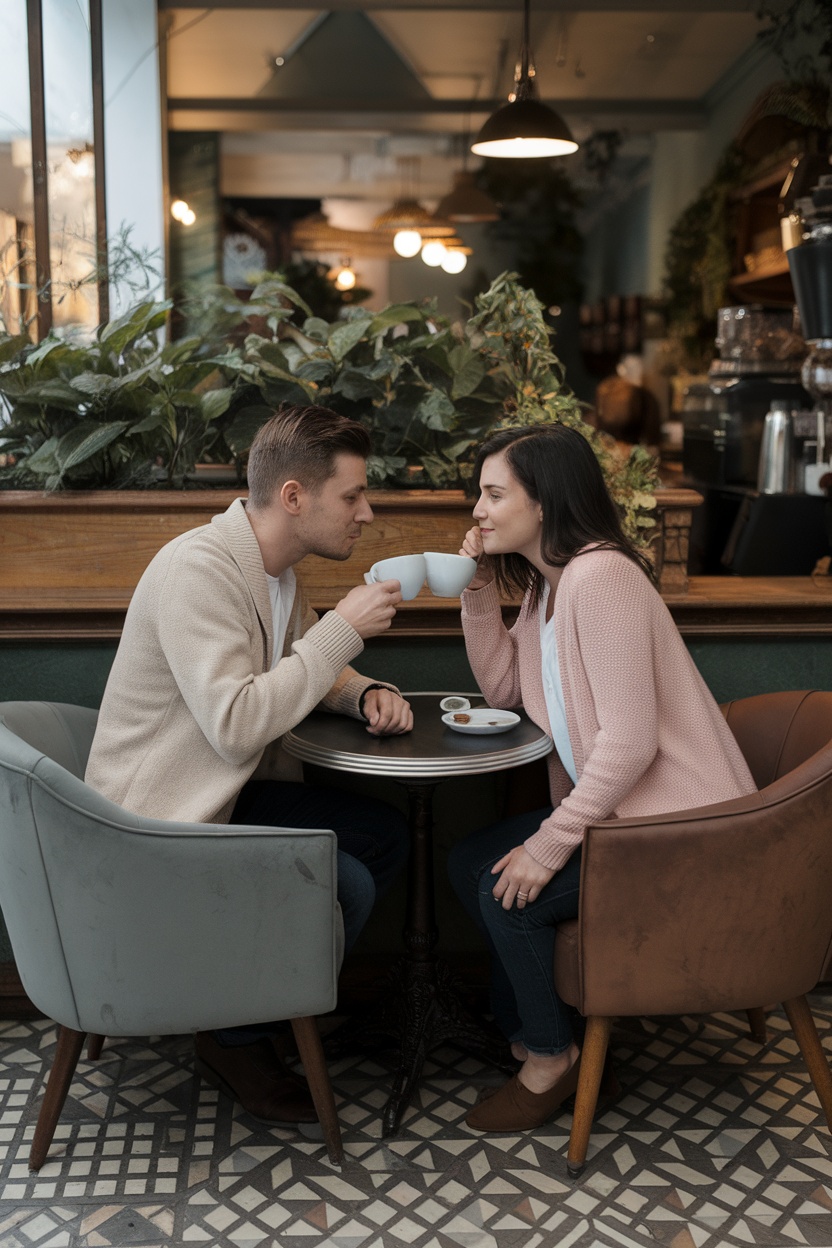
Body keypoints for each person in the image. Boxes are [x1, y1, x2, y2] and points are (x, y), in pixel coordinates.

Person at [85, 403, 412, 1126]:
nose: (367, 513)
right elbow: (236, 725)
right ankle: (235, 1038)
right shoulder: (201, 569)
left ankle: (251, 1003)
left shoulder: (277, 571)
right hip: (155, 824)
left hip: (221, 799)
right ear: (294, 497)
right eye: (352, 495)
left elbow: (297, 669)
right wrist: (342, 633)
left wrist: (363, 694)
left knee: (383, 835)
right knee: (347, 881)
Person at [448, 423, 757, 1132]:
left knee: (508, 895)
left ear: (546, 501)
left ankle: (551, 1061)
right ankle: (544, 1036)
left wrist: (550, 843)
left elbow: (629, 744)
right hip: (623, 822)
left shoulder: (602, 576)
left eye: (495, 494)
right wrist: (478, 592)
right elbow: (503, 692)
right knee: (472, 858)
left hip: (682, 831)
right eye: (481, 495)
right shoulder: (546, 591)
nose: (479, 510)